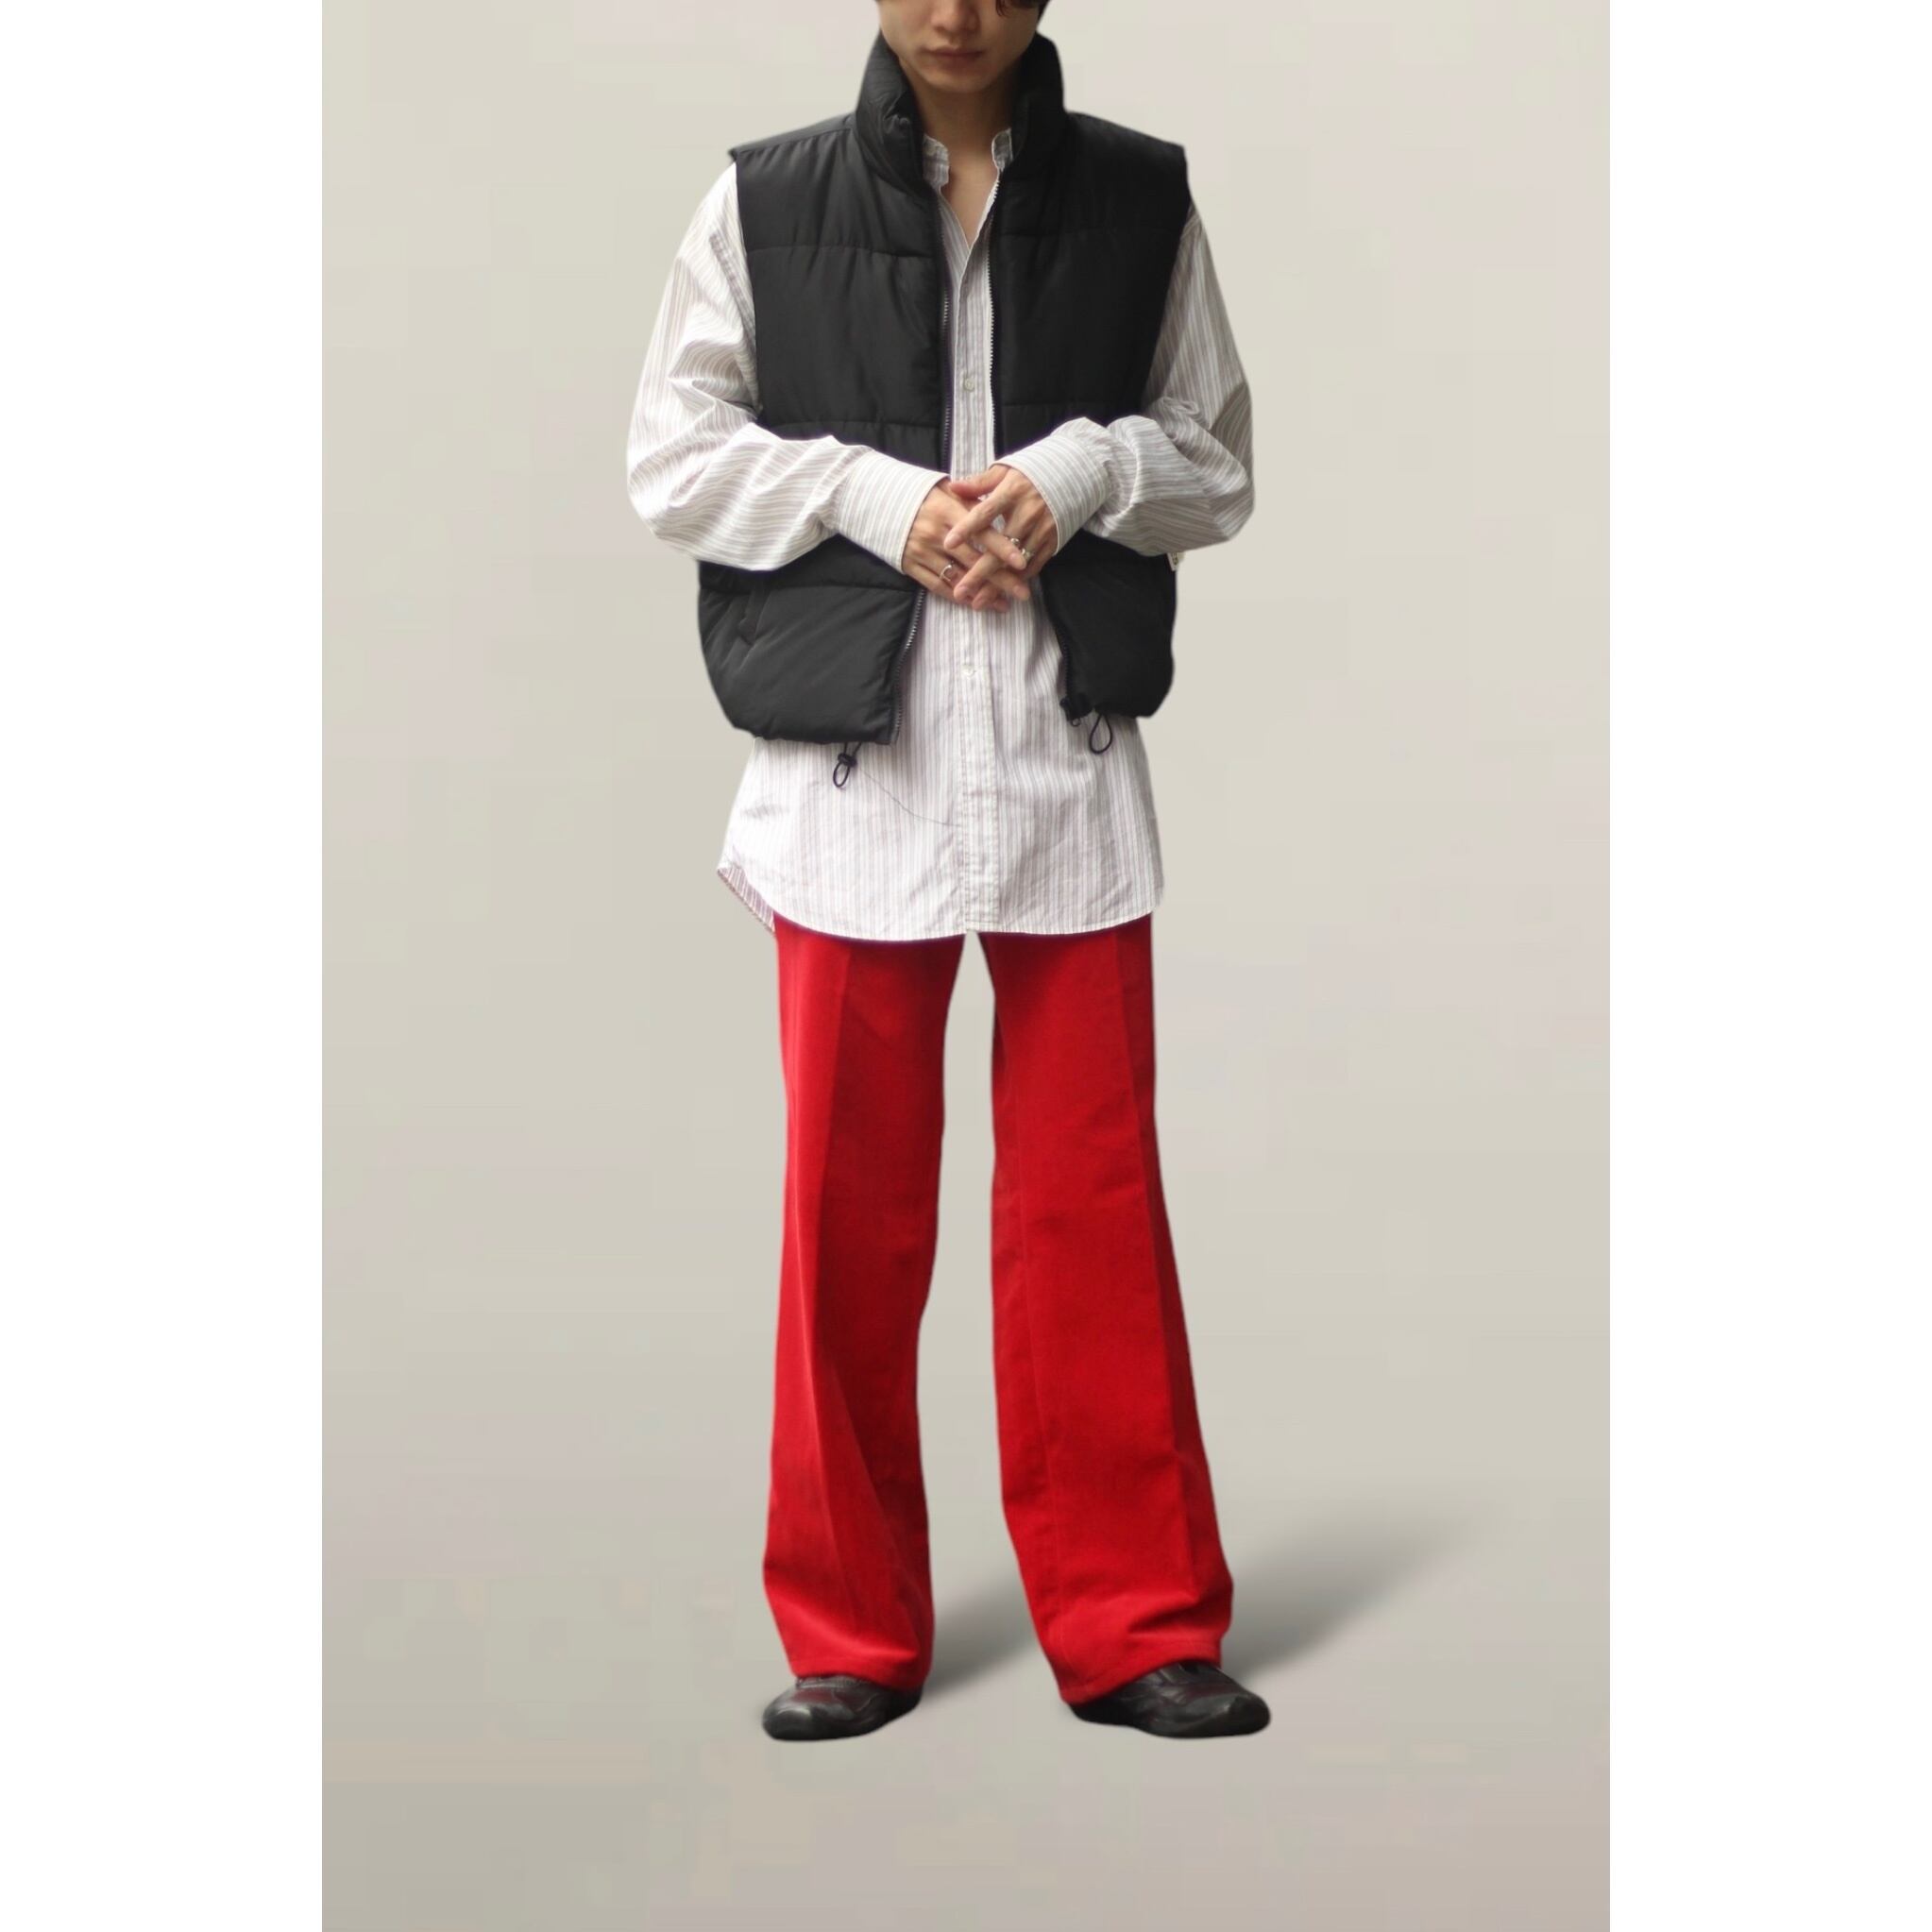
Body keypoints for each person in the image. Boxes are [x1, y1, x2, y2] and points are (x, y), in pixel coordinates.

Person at [625, 1, 1263, 1740]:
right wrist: (872, 499)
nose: (959, 11)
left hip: (1062, 763)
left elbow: (1216, 459)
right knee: (843, 1216)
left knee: (1092, 1214)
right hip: (853, 779)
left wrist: (1082, 469)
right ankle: (846, 1627)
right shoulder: (761, 200)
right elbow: (669, 456)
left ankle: (1136, 1623)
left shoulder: (1140, 198)